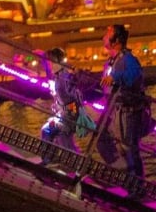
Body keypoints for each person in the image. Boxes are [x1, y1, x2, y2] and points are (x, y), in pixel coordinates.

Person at [100, 24, 148, 183]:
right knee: (118, 147)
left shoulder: (127, 59)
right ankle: (129, 180)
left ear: (116, 40)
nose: (104, 36)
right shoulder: (112, 61)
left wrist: (116, 77)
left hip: (128, 113)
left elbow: (134, 76)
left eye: (108, 33)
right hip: (116, 111)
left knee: (129, 150)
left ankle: (136, 185)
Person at [40, 48, 93, 153]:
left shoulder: (65, 77)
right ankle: (50, 159)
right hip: (64, 113)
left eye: (50, 61)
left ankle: (75, 164)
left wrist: (75, 76)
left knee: (61, 137)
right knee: (49, 131)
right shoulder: (57, 75)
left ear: (55, 61)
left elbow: (75, 96)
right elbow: (48, 71)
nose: (49, 65)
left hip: (71, 114)